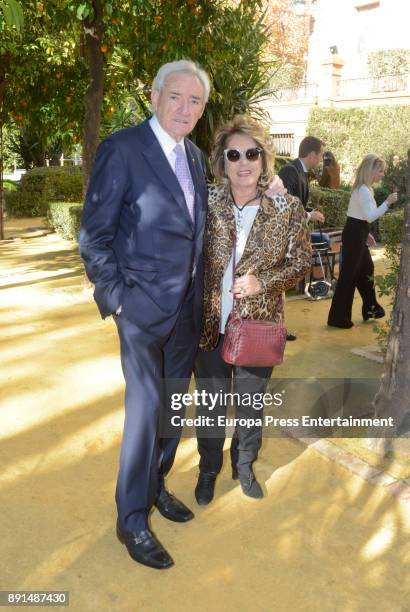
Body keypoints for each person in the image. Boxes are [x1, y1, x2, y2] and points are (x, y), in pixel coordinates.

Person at [79, 60, 210, 570]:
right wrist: (117, 301)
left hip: (186, 309)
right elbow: (94, 236)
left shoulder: (195, 156)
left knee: (173, 407)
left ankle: (156, 487)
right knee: (145, 410)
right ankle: (130, 519)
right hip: (139, 310)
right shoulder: (122, 149)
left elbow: (194, 228)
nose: (185, 108)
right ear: (154, 96)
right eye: (176, 97)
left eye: (194, 101)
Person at [193, 115, 311, 506]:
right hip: (210, 325)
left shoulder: (286, 206)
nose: (243, 162)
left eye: (251, 153)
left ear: (263, 159)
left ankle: (244, 466)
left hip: (258, 326)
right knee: (210, 406)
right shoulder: (206, 201)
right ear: (221, 161)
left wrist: (265, 282)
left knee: (249, 407)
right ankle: (208, 469)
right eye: (234, 154)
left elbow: (300, 263)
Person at [327, 154, 398, 329]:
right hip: (354, 233)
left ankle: (371, 309)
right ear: (371, 171)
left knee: (366, 269)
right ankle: (338, 318)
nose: (382, 174)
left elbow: (359, 215)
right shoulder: (364, 190)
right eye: (380, 171)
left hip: (357, 232)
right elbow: (369, 216)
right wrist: (387, 203)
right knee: (348, 277)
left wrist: (366, 234)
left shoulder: (365, 188)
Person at [278, 135, 326, 340]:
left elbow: (297, 204)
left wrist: (308, 212)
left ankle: (279, 328)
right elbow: (284, 205)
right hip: (281, 239)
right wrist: (308, 215)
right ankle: (277, 330)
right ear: (313, 154)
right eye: (321, 155)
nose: (322, 159)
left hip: (292, 238)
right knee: (277, 287)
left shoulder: (302, 173)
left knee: (279, 288)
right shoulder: (290, 170)